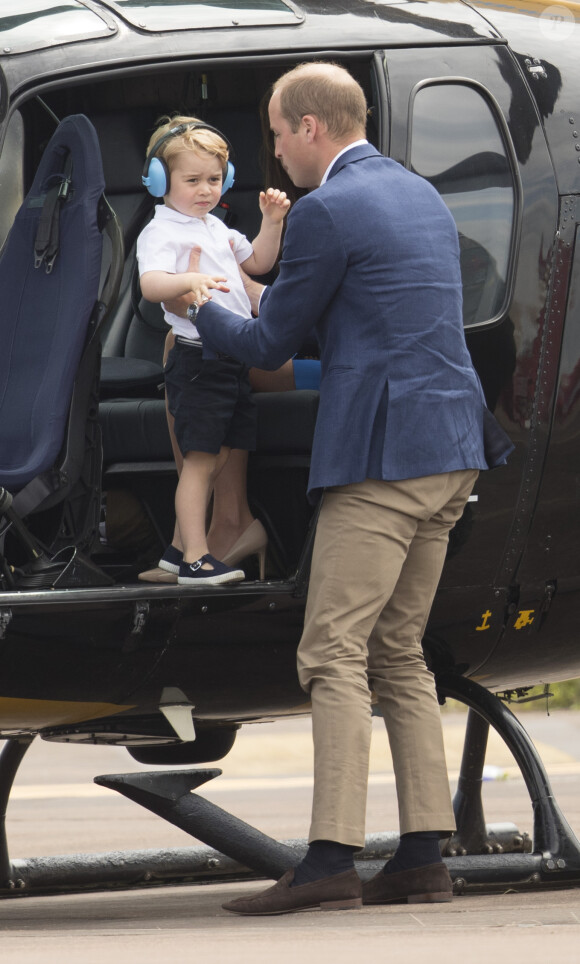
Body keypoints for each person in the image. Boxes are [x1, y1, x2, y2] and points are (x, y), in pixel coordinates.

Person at [175, 62, 514, 914]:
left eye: (279, 133)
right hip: (451, 449)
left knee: (331, 652)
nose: (277, 150)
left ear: (312, 129)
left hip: (384, 460)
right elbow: (355, 313)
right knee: (399, 650)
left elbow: (267, 347)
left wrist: (191, 304)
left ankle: (329, 860)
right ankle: (424, 854)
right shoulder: (416, 194)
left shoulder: (327, 208)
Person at [136, 116, 290, 585]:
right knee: (201, 463)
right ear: (159, 181)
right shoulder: (162, 231)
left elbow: (259, 262)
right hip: (199, 360)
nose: (205, 189)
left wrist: (272, 223)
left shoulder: (214, 226)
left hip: (231, 359)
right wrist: (190, 280)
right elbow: (151, 285)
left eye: (215, 179)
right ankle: (196, 558)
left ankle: (178, 550)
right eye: (192, 180)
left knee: (223, 452)